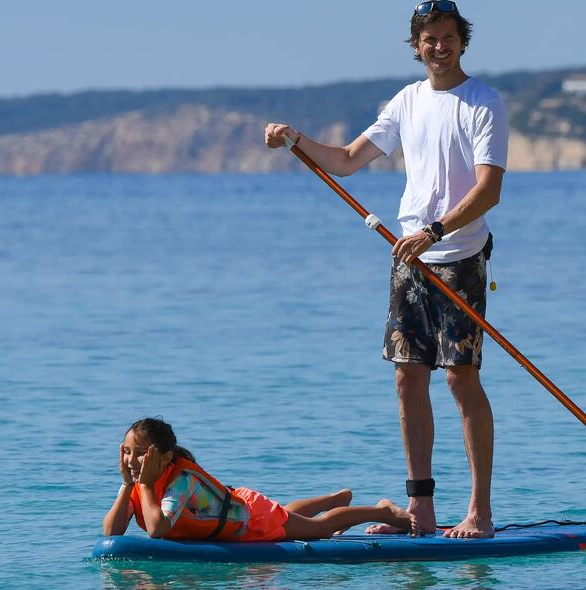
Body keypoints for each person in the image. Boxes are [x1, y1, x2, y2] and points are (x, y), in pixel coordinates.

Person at [261, 0, 506, 538]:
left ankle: (479, 512)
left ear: (461, 41)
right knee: (406, 379)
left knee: (462, 381)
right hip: (407, 260)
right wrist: (296, 140)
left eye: (447, 36)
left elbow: (489, 189)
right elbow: (347, 159)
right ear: (416, 45)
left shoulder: (483, 102)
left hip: (459, 256)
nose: (438, 46)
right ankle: (420, 510)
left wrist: (435, 232)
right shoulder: (406, 101)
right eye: (428, 38)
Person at [101, 417, 414, 541]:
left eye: (140, 453)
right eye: (127, 452)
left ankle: (382, 510)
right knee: (285, 513)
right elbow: (111, 533)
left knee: (320, 529)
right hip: (243, 507)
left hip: (249, 519)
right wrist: (129, 483)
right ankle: (335, 498)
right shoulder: (139, 481)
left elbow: (156, 529)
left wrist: (141, 485)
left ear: (166, 457)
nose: (131, 460)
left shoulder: (181, 481)